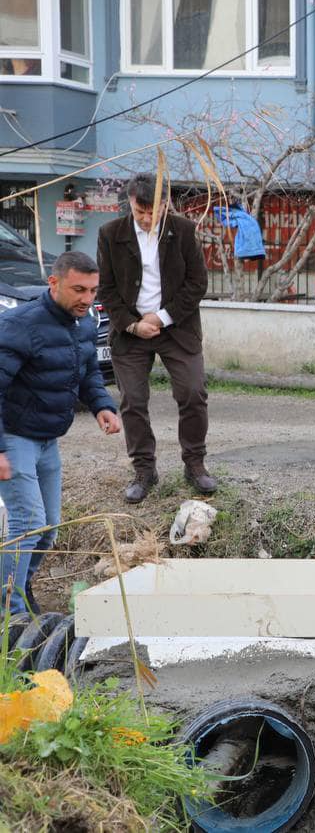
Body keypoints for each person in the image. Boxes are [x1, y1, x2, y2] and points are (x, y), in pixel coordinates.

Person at [0, 252, 121, 614]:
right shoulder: (20, 325)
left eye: (92, 290)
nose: (87, 298)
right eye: (78, 289)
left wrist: (102, 405)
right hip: (14, 437)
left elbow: (88, 373)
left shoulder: (83, 323)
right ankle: (12, 611)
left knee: (50, 528)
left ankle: (19, 586)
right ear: (54, 284)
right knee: (28, 523)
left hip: (48, 439)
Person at [98, 173, 215, 502]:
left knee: (193, 392)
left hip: (177, 327)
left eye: (154, 211)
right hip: (130, 331)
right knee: (133, 401)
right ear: (131, 205)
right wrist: (134, 325)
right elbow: (106, 288)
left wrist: (161, 318)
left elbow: (197, 283)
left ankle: (195, 465)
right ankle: (144, 470)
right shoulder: (110, 234)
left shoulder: (184, 231)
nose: (147, 218)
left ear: (165, 204)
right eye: (140, 211)